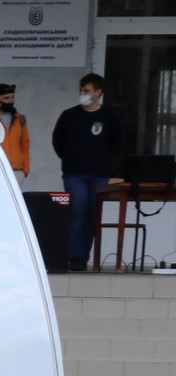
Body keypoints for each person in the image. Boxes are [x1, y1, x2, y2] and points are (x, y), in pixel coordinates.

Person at [52, 72, 130, 272]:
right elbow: (58, 142)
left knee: (92, 214)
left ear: (98, 92)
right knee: (78, 209)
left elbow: (118, 144)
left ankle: (84, 257)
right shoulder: (69, 115)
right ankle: (74, 256)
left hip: (99, 175)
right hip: (74, 173)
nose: (82, 93)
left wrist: (106, 164)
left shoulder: (109, 117)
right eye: (81, 90)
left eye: (86, 90)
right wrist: (70, 160)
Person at [0, 83, 30, 178]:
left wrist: (25, 169)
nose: (10, 101)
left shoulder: (19, 119)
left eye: (12, 97)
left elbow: (25, 144)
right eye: (6, 98)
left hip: (17, 170)